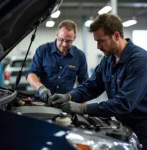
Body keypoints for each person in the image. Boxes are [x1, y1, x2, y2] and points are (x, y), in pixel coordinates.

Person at [49, 14, 147, 149]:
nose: (98, 46)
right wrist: (69, 96)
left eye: (101, 41)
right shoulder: (108, 60)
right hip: (123, 125)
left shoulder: (139, 61)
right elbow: (91, 86)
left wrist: (83, 108)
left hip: (143, 128)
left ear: (116, 36)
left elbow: (124, 103)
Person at [26, 20, 88, 102]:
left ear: (74, 38)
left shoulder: (80, 56)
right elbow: (31, 74)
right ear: (56, 35)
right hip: (42, 101)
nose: (64, 44)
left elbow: (84, 83)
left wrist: (83, 108)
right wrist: (40, 88)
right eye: (61, 40)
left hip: (66, 104)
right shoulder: (43, 50)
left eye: (68, 41)